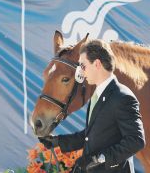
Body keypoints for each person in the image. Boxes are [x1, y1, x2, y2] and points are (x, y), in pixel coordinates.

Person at [39, 39, 145, 173]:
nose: (81, 73)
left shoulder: (123, 97)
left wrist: (99, 159)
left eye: (83, 66)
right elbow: (91, 135)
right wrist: (58, 142)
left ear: (97, 64)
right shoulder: (98, 95)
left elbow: (136, 140)